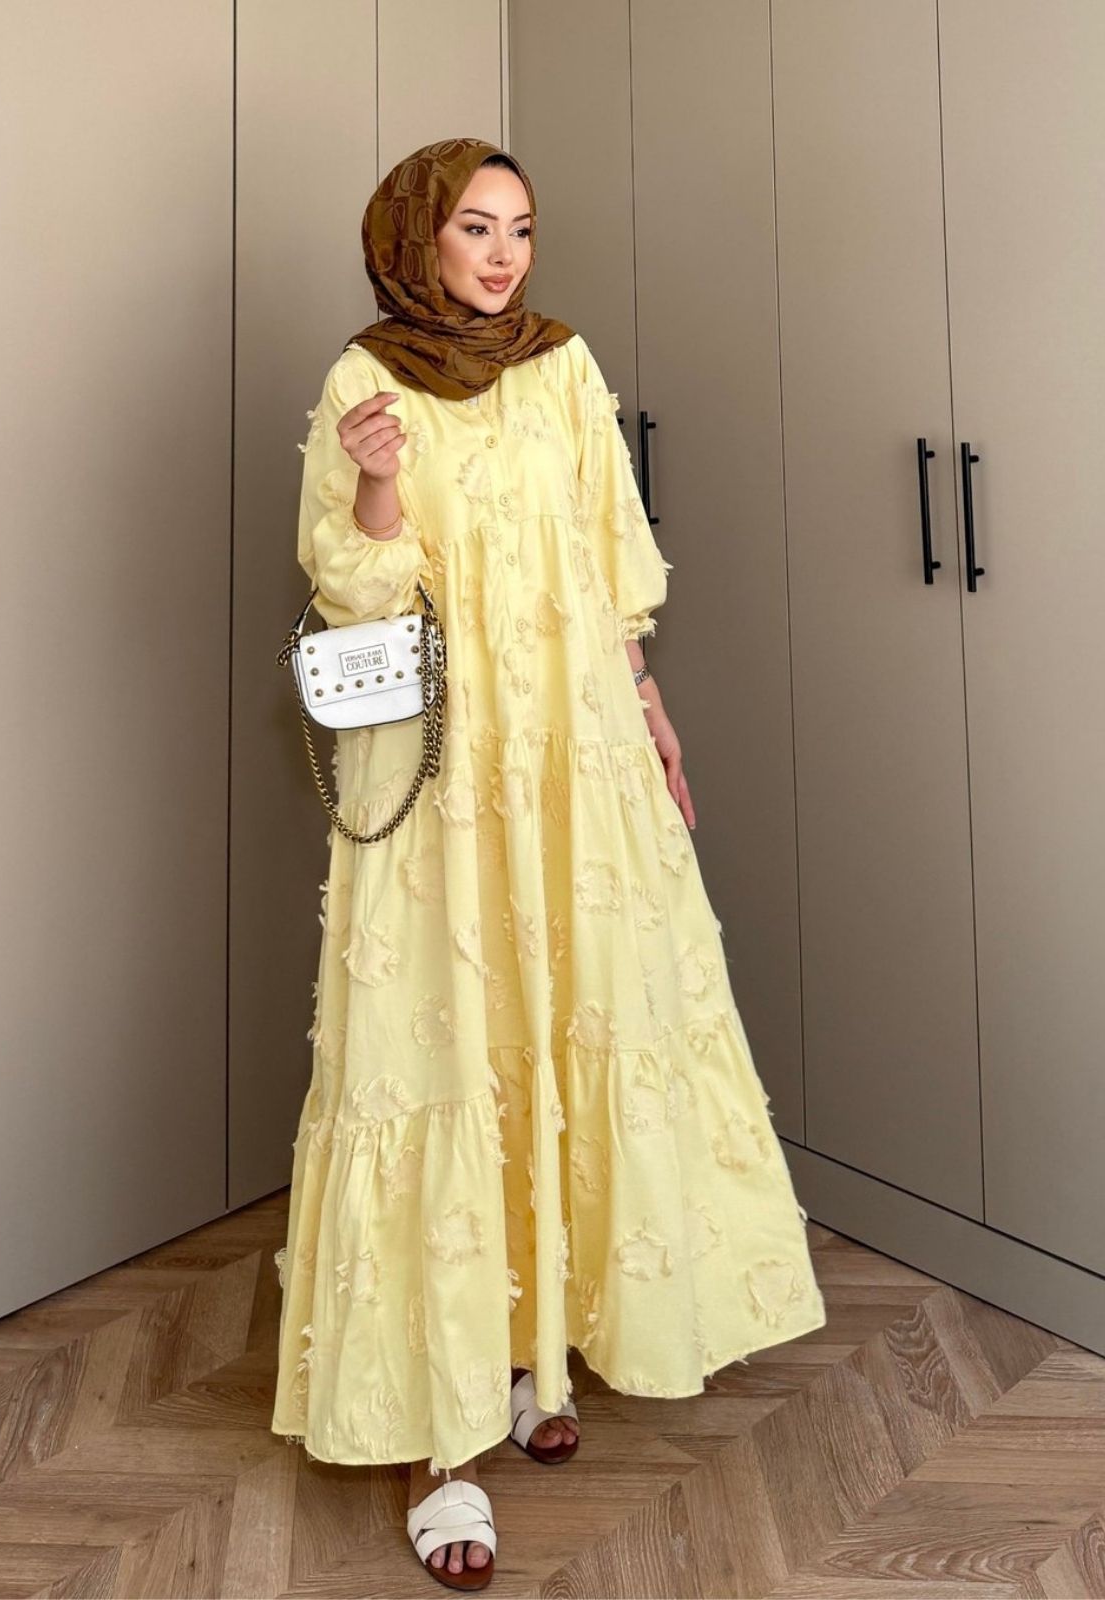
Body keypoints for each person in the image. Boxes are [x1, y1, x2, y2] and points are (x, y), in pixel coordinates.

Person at [272, 137, 827, 1589]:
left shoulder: (564, 364)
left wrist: (647, 708)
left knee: (555, 1027)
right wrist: (375, 486)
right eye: (475, 226)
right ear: (419, 236)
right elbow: (353, 586)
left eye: (520, 228)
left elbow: (609, 558)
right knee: (439, 1048)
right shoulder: (364, 380)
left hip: (573, 754)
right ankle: (438, 1443)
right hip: (446, 768)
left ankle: (527, 1358)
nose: (503, 254)